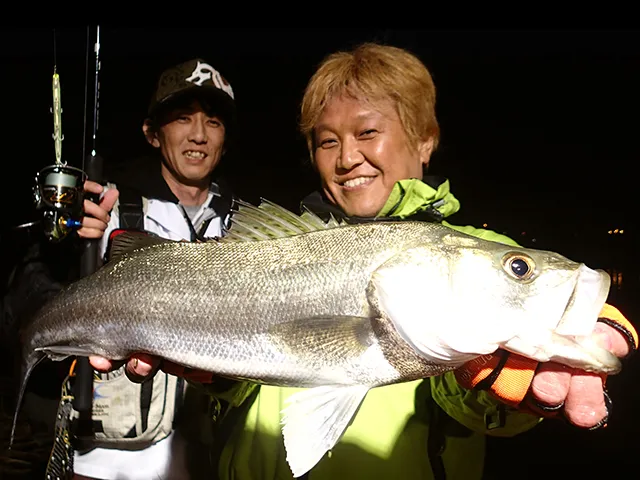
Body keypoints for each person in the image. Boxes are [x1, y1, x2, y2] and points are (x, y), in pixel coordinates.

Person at [90, 43, 638, 479]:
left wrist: (524, 376)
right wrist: (219, 375)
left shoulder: (463, 244)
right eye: (327, 141)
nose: (348, 157)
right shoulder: (269, 243)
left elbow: (477, 403)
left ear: (425, 140)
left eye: (368, 132)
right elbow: (259, 380)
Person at [68, 57, 255, 480]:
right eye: (182, 118)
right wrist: (64, 246)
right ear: (153, 134)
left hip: (203, 455)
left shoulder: (245, 220)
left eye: (214, 121)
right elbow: (33, 303)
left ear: (226, 139)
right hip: (105, 460)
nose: (199, 135)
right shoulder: (110, 205)